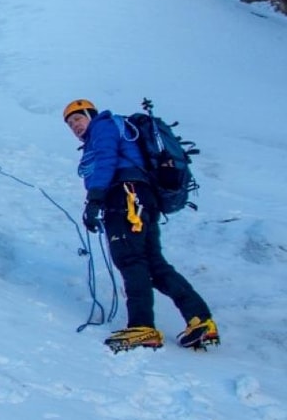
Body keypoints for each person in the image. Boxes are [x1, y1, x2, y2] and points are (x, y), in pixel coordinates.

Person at [63, 99, 220, 352]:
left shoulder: (102, 127)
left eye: (78, 119)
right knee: (154, 264)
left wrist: (95, 198)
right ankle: (200, 319)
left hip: (125, 196)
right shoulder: (111, 128)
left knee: (129, 258)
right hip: (141, 198)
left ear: (90, 114)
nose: (75, 126)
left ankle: (142, 326)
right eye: (70, 124)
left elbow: (106, 159)